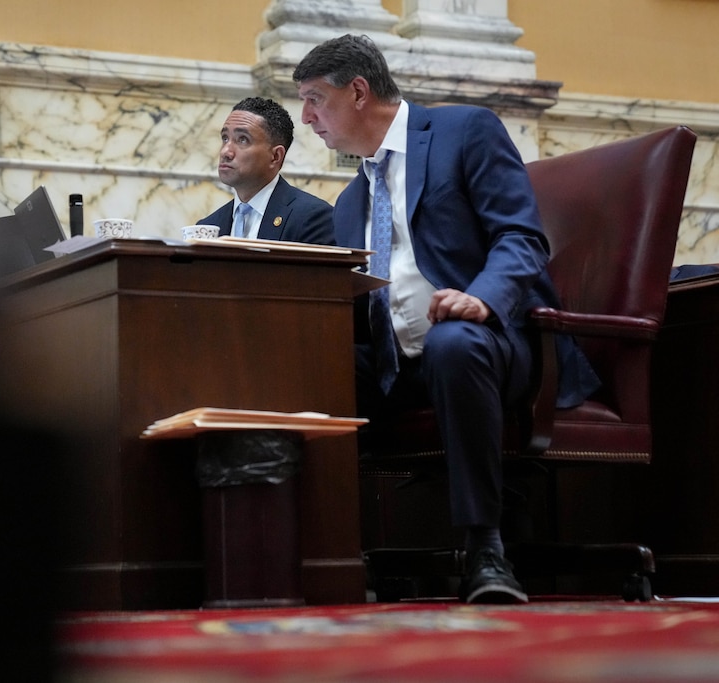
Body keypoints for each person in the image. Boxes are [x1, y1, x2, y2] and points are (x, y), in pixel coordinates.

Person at [292, 34, 600, 604]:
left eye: (315, 99)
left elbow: (521, 237)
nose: (307, 118)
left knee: (454, 342)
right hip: (400, 360)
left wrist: (482, 297)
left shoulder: (464, 132)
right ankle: (319, 559)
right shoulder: (350, 202)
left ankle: (487, 550)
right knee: (309, 370)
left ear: (358, 92)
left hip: (495, 342)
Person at [199, 96, 336, 245]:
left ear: (275, 156)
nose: (225, 151)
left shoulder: (312, 218)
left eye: (242, 139)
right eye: (225, 138)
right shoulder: (208, 226)